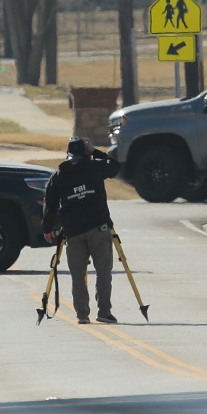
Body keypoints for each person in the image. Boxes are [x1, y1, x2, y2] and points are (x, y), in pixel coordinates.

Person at [42, 136, 121, 324]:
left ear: (67, 154)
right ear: (85, 152)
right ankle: (104, 312)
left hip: (73, 232)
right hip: (99, 228)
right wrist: (95, 152)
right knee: (103, 272)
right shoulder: (94, 167)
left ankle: (82, 315)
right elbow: (114, 166)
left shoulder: (59, 175)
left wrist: (47, 228)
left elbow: (50, 205)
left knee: (77, 275)